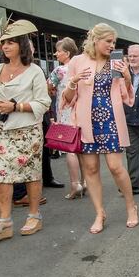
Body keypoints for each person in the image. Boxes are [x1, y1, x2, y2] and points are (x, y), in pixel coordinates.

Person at [62, 23, 139, 234]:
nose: (112, 45)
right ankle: (99, 213)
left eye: (114, 42)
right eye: (108, 41)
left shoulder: (115, 61)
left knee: (115, 166)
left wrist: (126, 77)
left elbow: (126, 97)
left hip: (111, 120)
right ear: (95, 40)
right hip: (86, 122)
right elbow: (68, 100)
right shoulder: (78, 62)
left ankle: (131, 206)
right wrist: (72, 83)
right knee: (91, 169)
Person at [0, 20, 52, 243]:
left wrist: (16, 106)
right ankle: (4, 222)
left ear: (22, 45)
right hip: (2, 130)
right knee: (0, 176)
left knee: (31, 174)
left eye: (11, 42)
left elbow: (44, 103)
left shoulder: (34, 72)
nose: (5, 46)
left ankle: (34, 216)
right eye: (4, 42)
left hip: (28, 131)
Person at [49, 37, 84, 199]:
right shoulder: (82, 68)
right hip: (83, 112)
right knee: (83, 149)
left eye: (58, 51)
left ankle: (75, 184)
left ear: (67, 53)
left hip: (66, 112)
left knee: (70, 149)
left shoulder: (60, 71)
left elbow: (48, 87)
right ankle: (85, 182)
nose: (56, 54)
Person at [123, 44, 139, 195]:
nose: (131, 58)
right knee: (132, 153)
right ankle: (134, 185)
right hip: (129, 118)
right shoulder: (123, 73)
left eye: (135, 56)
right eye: (130, 56)